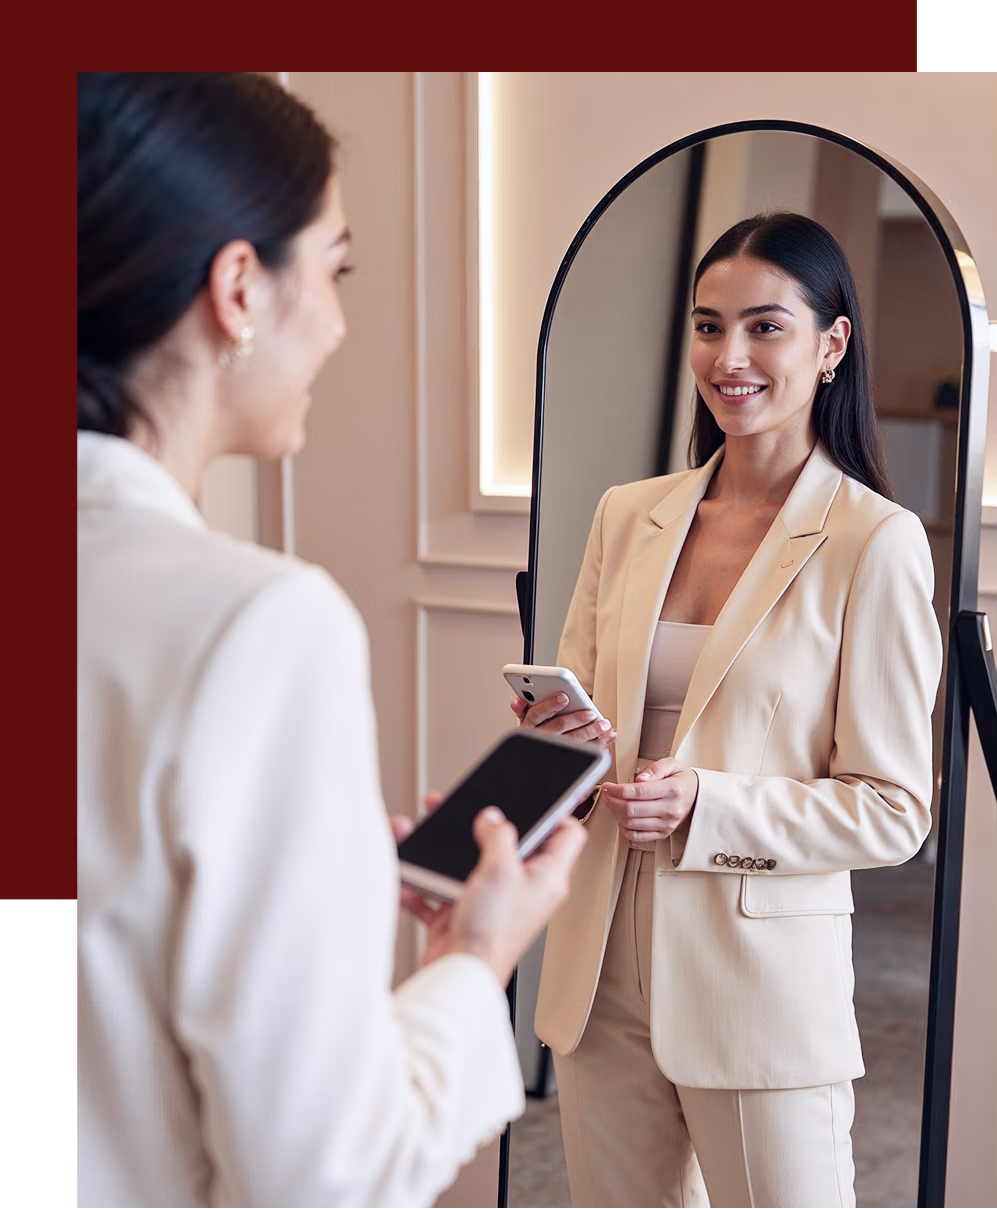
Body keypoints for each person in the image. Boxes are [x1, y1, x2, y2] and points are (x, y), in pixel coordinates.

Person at [77, 72, 586, 1209]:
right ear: (240, 288)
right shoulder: (256, 625)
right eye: (337, 268)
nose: (343, 321)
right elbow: (321, 1170)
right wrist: (471, 960)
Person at [512, 212, 944, 1208]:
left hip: (755, 985)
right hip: (600, 971)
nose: (729, 356)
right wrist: (552, 750)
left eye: (765, 327)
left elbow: (891, 809)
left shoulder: (870, 543)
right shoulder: (630, 513)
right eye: (709, 327)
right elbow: (577, 723)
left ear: (832, 345)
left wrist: (708, 805)